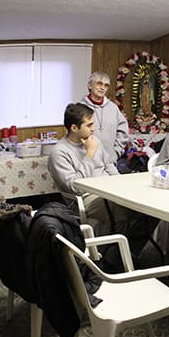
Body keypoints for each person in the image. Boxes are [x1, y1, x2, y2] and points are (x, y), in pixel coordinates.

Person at [48, 103, 130, 235]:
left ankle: (130, 253)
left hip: (110, 190)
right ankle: (111, 254)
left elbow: (108, 164)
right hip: (87, 197)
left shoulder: (94, 140)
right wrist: (89, 154)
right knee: (121, 211)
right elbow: (75, 187)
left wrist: (120, 183)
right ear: (74, 128)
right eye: (89, 125)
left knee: (146, 210)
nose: (94, 128)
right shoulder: (59, 153)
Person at [78, 71, 129, 166]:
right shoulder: (80, 108)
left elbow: (123, 130)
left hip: (110, 161)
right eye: (99, 84)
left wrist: (115, 152)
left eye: (106, 85)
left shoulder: (113, 108)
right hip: (87, 161)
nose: (102, 88)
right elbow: (75, 134)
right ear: (90, 85)